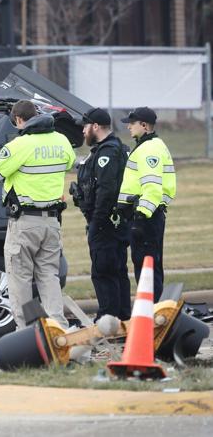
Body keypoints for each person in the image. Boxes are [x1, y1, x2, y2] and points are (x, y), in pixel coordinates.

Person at [0, 100, 75, 329]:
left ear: (19, 120)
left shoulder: (21, 144)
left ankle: (28, 330)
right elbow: (69, 162)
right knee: (48, 277)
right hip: (51, 222)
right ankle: (58, 328)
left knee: (20, 278)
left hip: (24, 223)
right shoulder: (61, 140)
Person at [71, 108, 131, 320]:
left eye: (85, 126)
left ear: (95, 126)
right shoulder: (110, 149)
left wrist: (97, 221)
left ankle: (108, 318)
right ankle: (122, 318)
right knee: (117, 270)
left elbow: (106, 191)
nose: (83, 131)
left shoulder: (107, 153)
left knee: (103, 271)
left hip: (106, 223)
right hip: (114, 222)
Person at [117, 107, 176, 301]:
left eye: (132, 123)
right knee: (150, 266)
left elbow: (152, 186)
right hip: (150, 216)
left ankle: (152, 314)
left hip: (146, 218)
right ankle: (154, 311)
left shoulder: (149, 149)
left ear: (144, 125)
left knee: (146, 268)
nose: (128, 127)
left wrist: (141, 216)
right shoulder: (150, 146)